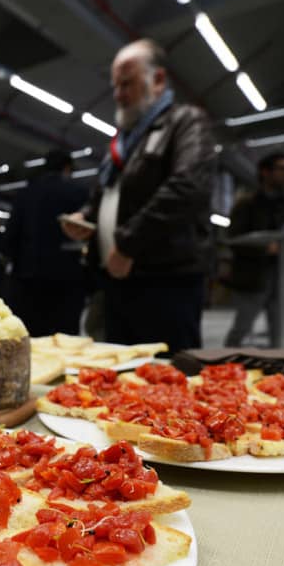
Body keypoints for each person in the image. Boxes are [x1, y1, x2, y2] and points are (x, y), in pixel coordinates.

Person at [61, 38, 215, 353]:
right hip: (118, 280)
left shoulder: (186, 122)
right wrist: (86, 217)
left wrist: (128, 243)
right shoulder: (125, 140)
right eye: (116, 86)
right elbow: (110, 195)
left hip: (166, 282)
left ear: (157, 80)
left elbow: (187, 188)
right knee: (123, 378)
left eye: (127, 84)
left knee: (168, 378)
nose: (118, 95)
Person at [6, 149, 90, 335]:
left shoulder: (25, 193)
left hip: (27, 281)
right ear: (67, 167)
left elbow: (10, 238)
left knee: (30, 340)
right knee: (65, 340)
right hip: (67, 281)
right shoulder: (79, 192)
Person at [223, 151, 284, 347]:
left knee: (281, 331)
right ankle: (224, 369)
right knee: (241, 329)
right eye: (282, 169)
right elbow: (234, 239)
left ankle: (278, 373)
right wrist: (265, 249)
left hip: (281, 277)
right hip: (253, 278)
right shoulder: (246, 204)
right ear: (265, 172)